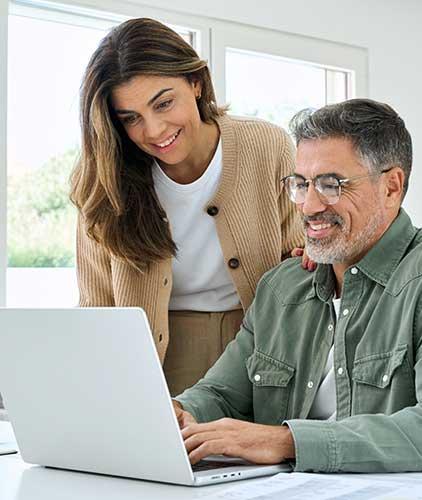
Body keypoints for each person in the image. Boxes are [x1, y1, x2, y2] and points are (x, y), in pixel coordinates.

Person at [172, 98, 422, 473]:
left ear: (391, 187)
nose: (309, 206)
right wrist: (180, 413)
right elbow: (220, 394)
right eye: (301, 184)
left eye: (331, 185)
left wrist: (286, 442)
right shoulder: (281, 288)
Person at [69, 18, 304, 396]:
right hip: (155, 359)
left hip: (260, 349)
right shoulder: (103, 176)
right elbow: (96, 303)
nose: (155, 130)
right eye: (130, 118)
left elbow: (299, 262)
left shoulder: (268, 145)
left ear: (195, 83)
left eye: (163, 103)